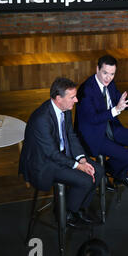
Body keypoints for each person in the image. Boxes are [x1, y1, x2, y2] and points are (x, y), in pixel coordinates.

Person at [19, 77, 104, 228]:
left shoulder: (65, 109)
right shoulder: (41, 119)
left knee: (98, 171)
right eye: (72, 97)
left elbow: (71, 136)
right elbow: (51, 153)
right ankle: (65, 213)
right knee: (85, 180)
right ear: (59, 98)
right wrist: (77, 166)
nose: (76, 100)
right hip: (44, 163)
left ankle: (77, 209)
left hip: (61, 153)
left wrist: (82, 159)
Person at [76, 55, 128, 191]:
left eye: (112, 74)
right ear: (97, 69)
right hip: (93, 135)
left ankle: (116, 173)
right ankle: (110, 173)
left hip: (110, 127)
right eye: (105, 73)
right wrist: (115, 110)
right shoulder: (86, 89)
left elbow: (121, 104)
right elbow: (92, 119)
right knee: (127, 156)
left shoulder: (110, 84)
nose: (108, 77)